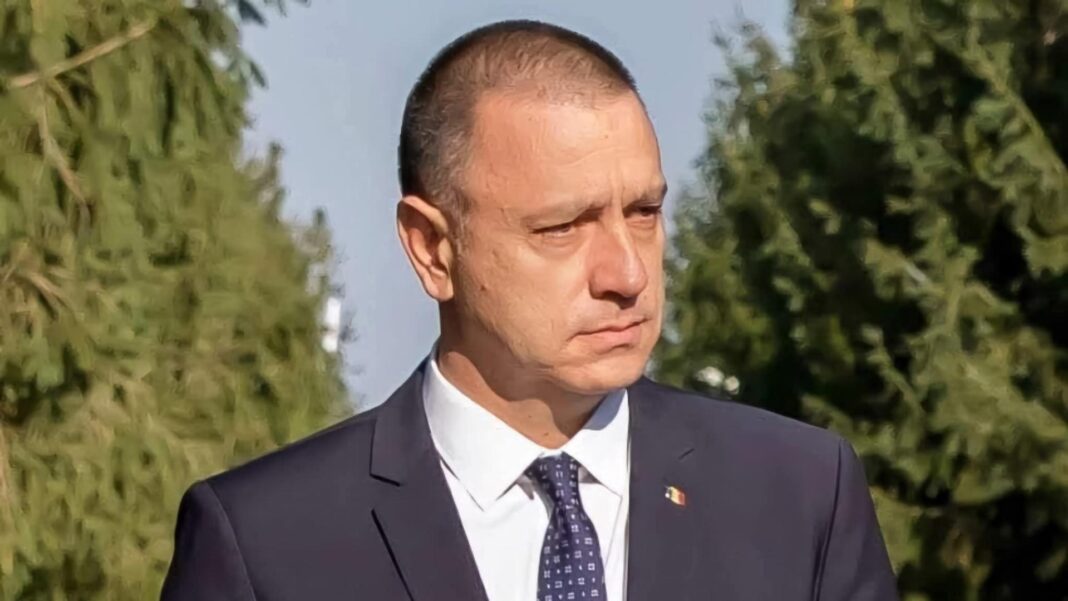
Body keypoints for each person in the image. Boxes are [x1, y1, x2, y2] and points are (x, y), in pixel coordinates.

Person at [161, 19, 899, 601]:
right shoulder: (266, 544)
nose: (627, 273)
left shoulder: (799, 494)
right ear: (432, 248)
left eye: (643, 213)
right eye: (562, 228)